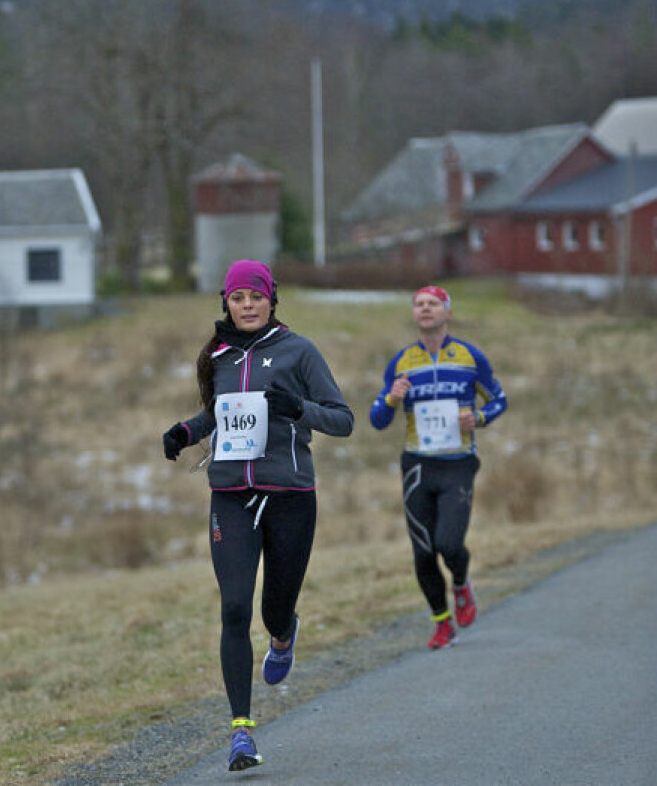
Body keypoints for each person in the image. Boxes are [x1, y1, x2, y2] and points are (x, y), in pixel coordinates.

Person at [162, 260, 354, 772]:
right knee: (233, 609)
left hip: (290, 496)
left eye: (256, 296)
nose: (247, 305)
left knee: (273, 611)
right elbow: (217, 411)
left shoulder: (299, 350)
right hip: (230, 496)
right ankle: (241, 732)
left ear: (272, 299)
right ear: (225, 302)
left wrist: (298, 408)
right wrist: (185, 431)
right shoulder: (217, 355)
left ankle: (284, 634)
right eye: (237, 297)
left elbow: (343, 420)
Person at [369, 285, 508, 650]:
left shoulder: (469, 357)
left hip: (457, 464)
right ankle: (441, 622)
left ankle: (461, 583)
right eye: (419, 304)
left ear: (447, 312)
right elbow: (377, 419)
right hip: (417, 465)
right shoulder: (401, 362)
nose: (425, 309)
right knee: (423, 551)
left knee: (448, 542)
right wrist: (391, 398)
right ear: (414, 314)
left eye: (433, 304)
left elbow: (500, 400)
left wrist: (477, 417)